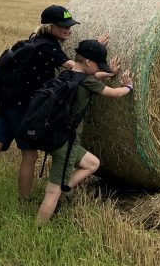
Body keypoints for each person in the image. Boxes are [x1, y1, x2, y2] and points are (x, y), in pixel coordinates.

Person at [0, 5, 108, 211]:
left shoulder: (34, 41)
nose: (68, 30)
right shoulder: (49, 47)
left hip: (7, 103)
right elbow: (80, 71)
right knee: (29, 156)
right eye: (63, 26)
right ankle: (24, 203)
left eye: (69, 26)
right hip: (21, 109)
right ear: (50, 26)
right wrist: (96, 55)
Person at [36, 39, 133, 225]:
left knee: (92, 163)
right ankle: (37, 229)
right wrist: (128, 86)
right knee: (52, 191)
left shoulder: (67, 74)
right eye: (98, 64)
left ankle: (63, 192)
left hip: (54, 134)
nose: (99, 68)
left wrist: (108, 72)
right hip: (66, 141)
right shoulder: (88, 80)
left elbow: (94, 76)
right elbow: (114, 93)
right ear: (89, 62)